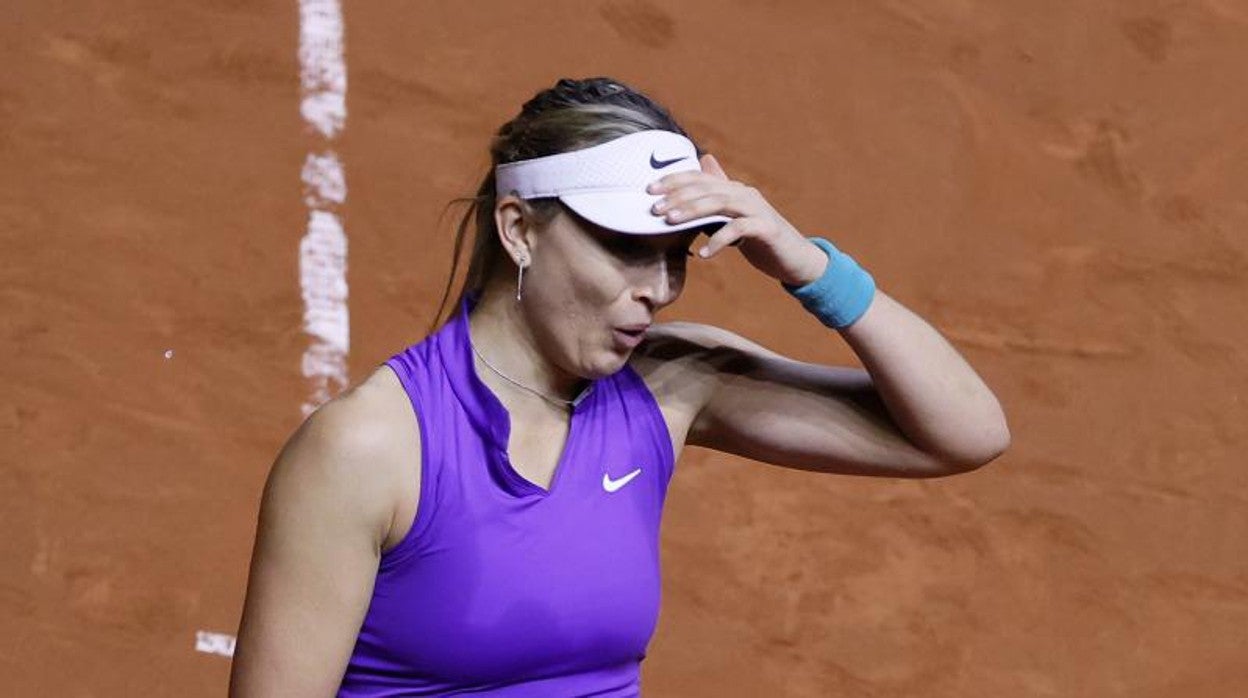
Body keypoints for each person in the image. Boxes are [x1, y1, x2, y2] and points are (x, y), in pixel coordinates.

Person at [228, 77, 1010, 697]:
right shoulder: (370, 449)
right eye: (629, 248)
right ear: (519, 227)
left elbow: (964, 433)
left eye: (675, 254)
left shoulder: (669, 386)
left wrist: (808, 266)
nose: (661, 288)